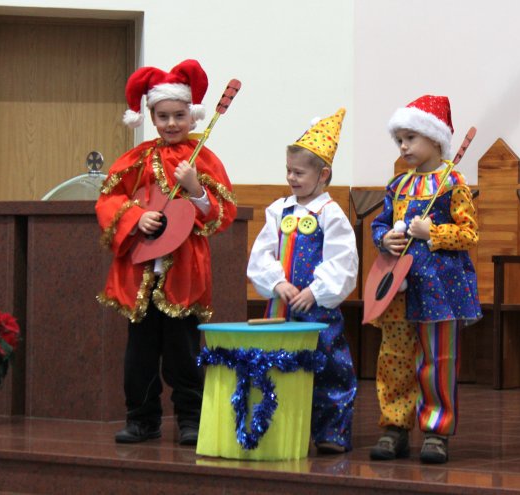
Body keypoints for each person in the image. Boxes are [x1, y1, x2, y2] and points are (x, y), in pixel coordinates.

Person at [95, 59, 237, 445]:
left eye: (179, 115)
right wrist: (134, 218)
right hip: (140, 270)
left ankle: (191, 419)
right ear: (152, 117)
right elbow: (109, 199)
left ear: (192, 116)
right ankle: (141, 418)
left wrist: (195, 189)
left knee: (184, 351)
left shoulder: (203, 161)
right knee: (139, 356)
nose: (172, 124)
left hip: (185, 272)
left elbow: (222, 215)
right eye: (163, 116)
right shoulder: (137, 158)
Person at [370, 95, 481, 463]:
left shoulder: (453, 183)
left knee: (438, 357)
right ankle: (394, 427)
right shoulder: (397, 185)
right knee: (395, 356)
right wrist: (384, 238)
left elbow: (469, 234)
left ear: (435, 140)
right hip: (398, 286)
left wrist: (431, 231)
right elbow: (381, 223)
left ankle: (436, 429)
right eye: (399, 139)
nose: (403, 146)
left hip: (439, 288)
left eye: (411, 138)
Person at [247, 108, 359, 454]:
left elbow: (342, 259)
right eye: (288, 171)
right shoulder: (278, 211)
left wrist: (316, 290)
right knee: (278, 368)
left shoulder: (331, 214)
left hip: (317, 313)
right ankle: (280, 429)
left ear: (323, 174)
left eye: (299, 172)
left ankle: (331, 432)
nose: (291, 178)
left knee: (329, 370)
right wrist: (277, 282)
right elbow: (262, 253)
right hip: (281, 309)